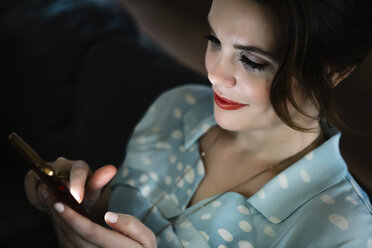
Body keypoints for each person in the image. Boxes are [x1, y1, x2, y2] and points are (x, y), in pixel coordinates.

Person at [25, 0, 372, 247]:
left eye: (251, 60)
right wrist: (79, 207)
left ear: (333, 73)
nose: (215, 74)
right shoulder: (176, 107)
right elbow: (112, 213)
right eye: (215, 41)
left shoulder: (343, 233)